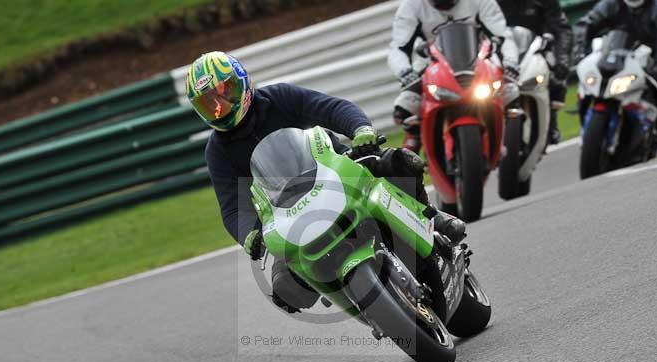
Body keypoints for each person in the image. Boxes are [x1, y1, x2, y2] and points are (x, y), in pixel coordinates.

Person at [186, 51, 466, 313]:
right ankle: (365, 304)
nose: (219, 107)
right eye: (208, 103)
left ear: (242, 82)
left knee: (400, 162)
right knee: (286, 290)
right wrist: (249, 234)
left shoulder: (279, 97)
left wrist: (360, 130)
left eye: (225, 93)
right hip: (287, 211)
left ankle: (432, 219)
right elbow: (232, 207)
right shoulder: (217, 151)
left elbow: (331, 108)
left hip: (335, 170)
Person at [388, 0, 520, 153]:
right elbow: (398, 48)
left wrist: (510, 63)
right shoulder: (411, 6)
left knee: (511, 92)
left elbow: (503, 36)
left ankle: (511, 141)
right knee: (405, 108)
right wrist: (405, 73)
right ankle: (412, 146)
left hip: (478, 60)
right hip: (431, 64)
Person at [572, 0, 657, 145]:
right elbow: (585, 25)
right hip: (615, 55)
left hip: (649, 58)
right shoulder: (610, 4)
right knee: (588, 83)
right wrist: (579, 51)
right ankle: (585, 120)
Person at [496, 0, 572, 144]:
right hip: (501, 52)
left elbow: (562, 28)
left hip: (535, 51)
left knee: (554, 75)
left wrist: (563, 59)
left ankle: (551, 122)